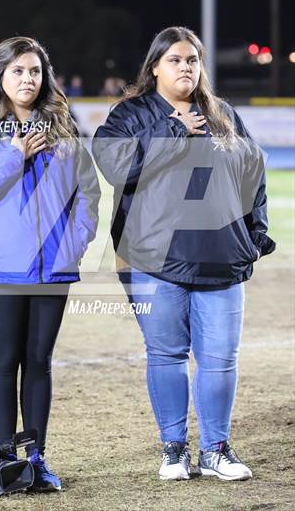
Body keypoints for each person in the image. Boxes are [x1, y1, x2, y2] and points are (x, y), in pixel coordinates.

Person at [92, 26, 275, 482]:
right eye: (174, 59)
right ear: (154, 66)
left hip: (221, 256)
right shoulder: (132, 115)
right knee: (167, 354)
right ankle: (174, 449)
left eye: (192, 60)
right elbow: (115, 167)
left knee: (220, 358)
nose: (185, 67)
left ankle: (216, 449)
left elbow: (253, 170)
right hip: (153, 260)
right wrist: (170, 130)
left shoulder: (223, 114)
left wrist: (256, 231)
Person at [0, 36, 100, 492]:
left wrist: (72, 245)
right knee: (5, 361)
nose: (27, 79)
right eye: (17, 70)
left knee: (39, 362)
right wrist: (14, 156)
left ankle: (35, 460)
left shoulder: (62, 130)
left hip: (53, 269)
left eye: (35, 71)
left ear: (45, 77)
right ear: (0, 75)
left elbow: (88, 194)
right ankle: (5, 462)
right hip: (0, 269)